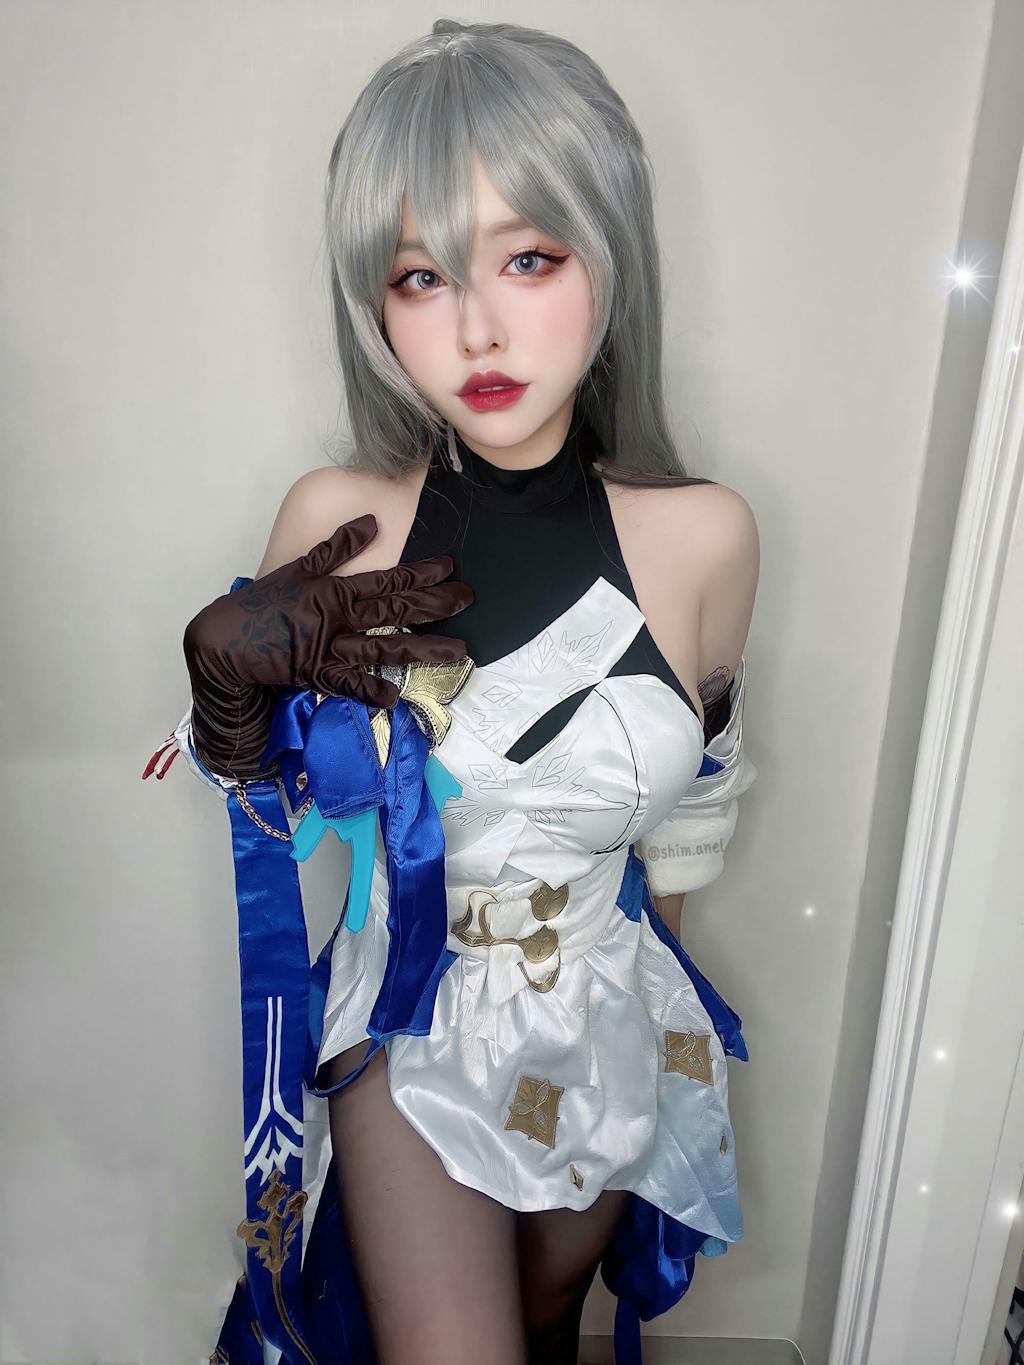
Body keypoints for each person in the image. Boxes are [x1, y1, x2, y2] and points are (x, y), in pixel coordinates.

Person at [143, 18, 760, 1365]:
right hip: (409, 1012)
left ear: (611, 255)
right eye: (421, 277)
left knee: (547, 1330)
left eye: (528, 258)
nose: (476, 326)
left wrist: (668, 1017)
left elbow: (691, 820)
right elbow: (269, 799)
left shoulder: (708, 537)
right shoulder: (337, 522)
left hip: (607, 1017)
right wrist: (227, 700)